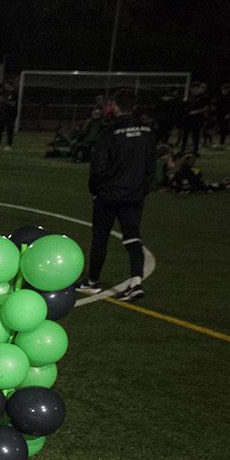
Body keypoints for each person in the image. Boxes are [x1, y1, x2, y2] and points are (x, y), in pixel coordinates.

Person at [78, 89, 155, 302]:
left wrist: (95, 191)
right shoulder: (147, 132)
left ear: (116, 106)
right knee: (133, 238)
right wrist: (142, 190)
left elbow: (98, 168)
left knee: (100, 237)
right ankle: (136, 282)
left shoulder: (109, 132)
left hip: (109, 194)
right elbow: (151, 166)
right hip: (134, 195)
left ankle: (93, 281)